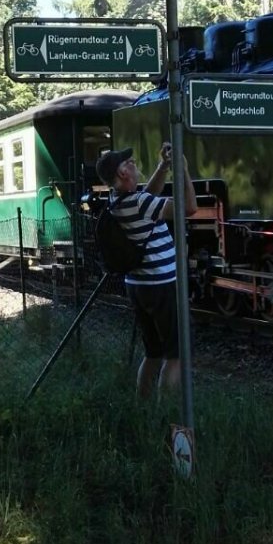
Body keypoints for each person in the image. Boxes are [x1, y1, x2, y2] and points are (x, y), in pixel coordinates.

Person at [95, 141, 197, 400]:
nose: (134, 164)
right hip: (160, 285)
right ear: (122, 173)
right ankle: (165, 413)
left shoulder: (117, 200)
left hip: (137, 285)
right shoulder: (139, 202)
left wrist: (163, 166)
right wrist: (183, 169)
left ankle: (143, 407)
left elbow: (149, 195)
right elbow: (189, 208)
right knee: (176, 355)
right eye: (129, 162)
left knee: (153, 353)